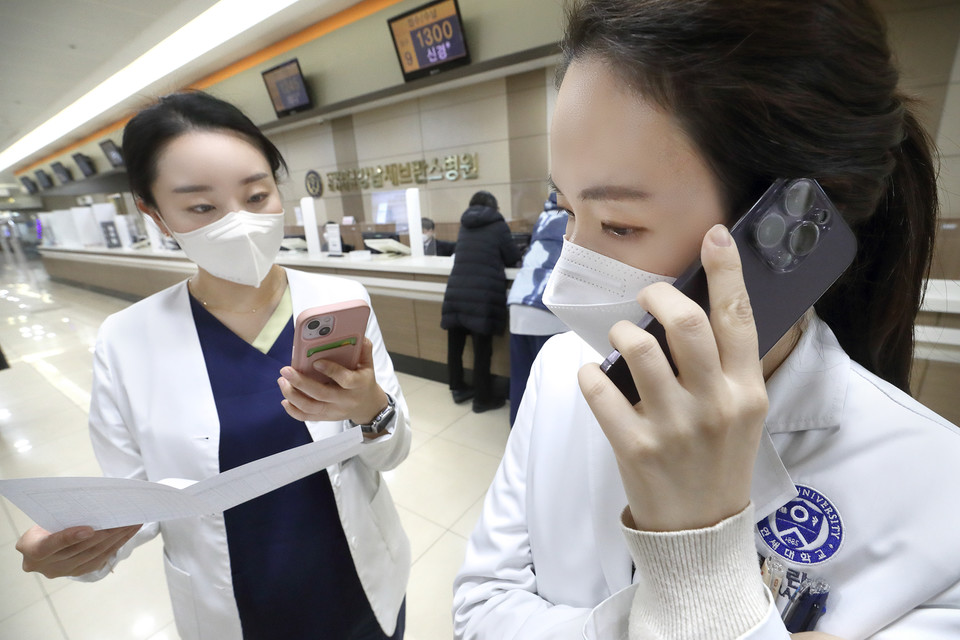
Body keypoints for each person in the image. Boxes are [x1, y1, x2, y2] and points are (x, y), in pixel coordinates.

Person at [453, 1, 960, 638]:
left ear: (788, 240)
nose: (564, 283)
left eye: (619, 225)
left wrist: (701, 566)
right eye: (564, 212)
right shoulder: (564, 372)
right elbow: (481, 605)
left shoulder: (943, 499)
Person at [15, 91, 411, 640]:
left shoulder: (340, 301)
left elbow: (391, 451)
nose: (239, 223)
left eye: (256, 194)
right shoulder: (127, 341)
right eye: (201, 207)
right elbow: (138, 502)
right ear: (154, 214)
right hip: (236, 606)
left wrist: (373, 410)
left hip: (359, 583)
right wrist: (83, 544)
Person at [441, 191, 522, 413]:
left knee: (455, 345)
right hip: (481, 296)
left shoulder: (465, 224)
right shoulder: (498, 224)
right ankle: (482, 399)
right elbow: (512, 256)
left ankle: (458, 388)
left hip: (457, 292)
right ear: (494, 207)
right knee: (482, 349)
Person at [506, 193, 568, 426]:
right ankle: (545, 438)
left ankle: (518, 434)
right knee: (549, 384)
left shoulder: (543, 217)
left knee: (521, 378)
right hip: (547, 308)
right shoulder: (575, 219)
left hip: (519, 303)